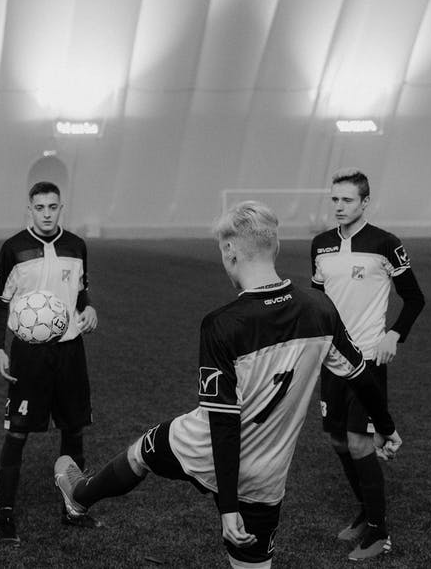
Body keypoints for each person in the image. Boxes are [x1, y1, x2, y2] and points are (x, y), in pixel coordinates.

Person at [54, 201, 403, 569]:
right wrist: (385, 426)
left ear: (229, 250)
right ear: (274, 248)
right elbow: (360, 375)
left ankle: (79, 496)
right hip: (268, 475)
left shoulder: (222, 324)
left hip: (203, 447)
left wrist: (228, 506)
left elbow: (223, 421)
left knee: (142, 453)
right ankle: (78, 497)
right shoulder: (321, 309)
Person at [309, 169, 425, 560]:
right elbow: (318, 305)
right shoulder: (320, 246)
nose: (339, 207)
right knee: (338, 439)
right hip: (330, 358)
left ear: (364, 203)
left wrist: (394, 335)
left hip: (367, 359)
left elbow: (415, 298)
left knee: (360, 440)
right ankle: (365, 511)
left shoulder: (385, 244)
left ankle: (379, 533)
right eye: (335, 200)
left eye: (347, 200)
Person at [0, 181, 100, 543]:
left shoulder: (76, 245)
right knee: (17, 431)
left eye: (53, 207)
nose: (47, 214)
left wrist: (89, 310)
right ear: (30, 210)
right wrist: (0, 348)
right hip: (27, 353)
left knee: (73, 429)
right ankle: (6, 514)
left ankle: (74, 507)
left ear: (61, 208)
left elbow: (81, 295)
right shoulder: (13, 248)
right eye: (40, 207)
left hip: (69, 351)